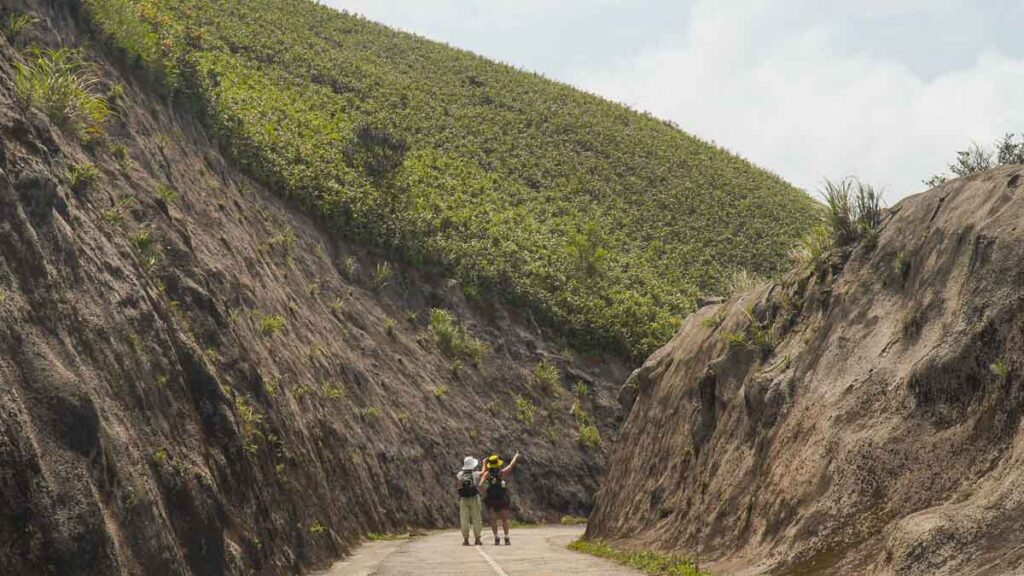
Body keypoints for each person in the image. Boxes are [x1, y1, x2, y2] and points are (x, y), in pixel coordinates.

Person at [479, 451, 520, 545]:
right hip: (502, 498)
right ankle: (506, 538)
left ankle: (496, 537)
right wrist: (516, 456)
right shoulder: (501, 473)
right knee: (505, 519)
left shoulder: (487, 474)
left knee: (493, 519)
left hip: (491, 499)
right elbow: (511, 465)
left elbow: (480, 485)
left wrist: (485, 493)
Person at [456, 456, 484, 546]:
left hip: (463, 499)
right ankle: (477, 539)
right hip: (474, 497)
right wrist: (484, 463)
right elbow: (483, 473)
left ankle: (466, 539)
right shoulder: (475, 474)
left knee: (464, 519)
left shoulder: (460, 474)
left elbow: (457, 486)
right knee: (476, 518)